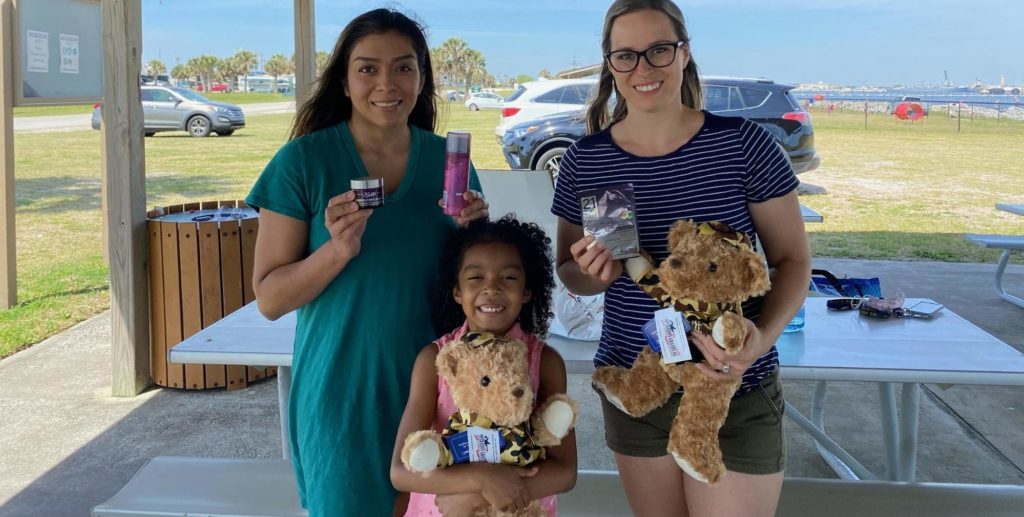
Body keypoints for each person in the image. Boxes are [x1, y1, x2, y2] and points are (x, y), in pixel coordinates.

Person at [550, 1, 811, 516]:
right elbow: (570, 271)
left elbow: (793, 260)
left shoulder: (743, 145)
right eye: (626, 55)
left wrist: (760, 341)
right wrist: (592, 274)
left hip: (734, 385)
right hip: (635, 385)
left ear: (685, 54)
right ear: (609, 65)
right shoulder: (587, 158)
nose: (643, 69)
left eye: (659, 50)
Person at [245, 8, 488, 517]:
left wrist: (478, 241)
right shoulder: (303, 163)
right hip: (343, 397)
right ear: (344, 79)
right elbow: (269, 299)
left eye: (403, 67)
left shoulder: (451, 166)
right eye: (367, 68)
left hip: (444, 394)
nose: (387, 83)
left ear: (422, 78)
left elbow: (477, 294)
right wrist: (336, 251)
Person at [391, 216, 577, 516]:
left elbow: (565, 471)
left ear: (528, 291)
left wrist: (478, 497)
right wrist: (479, 481)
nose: (492, 288)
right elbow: (400, 470)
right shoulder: (434, 360)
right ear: (457, 291)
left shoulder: (545, 362)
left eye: (509, 277)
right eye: (476, 278)